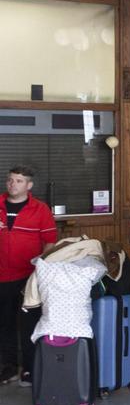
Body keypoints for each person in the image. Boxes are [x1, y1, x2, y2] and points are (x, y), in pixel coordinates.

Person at [0, 165, 57, 386]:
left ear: (29, 185)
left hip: (29, 278)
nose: (13, 184)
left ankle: (29, 369)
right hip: (2, 277)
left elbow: (50, 242)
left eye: (19, 181)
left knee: (29, 325)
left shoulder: (40, 209)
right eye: (10, 180)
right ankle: (8, 368)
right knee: (5, 325)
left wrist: (41, 267)